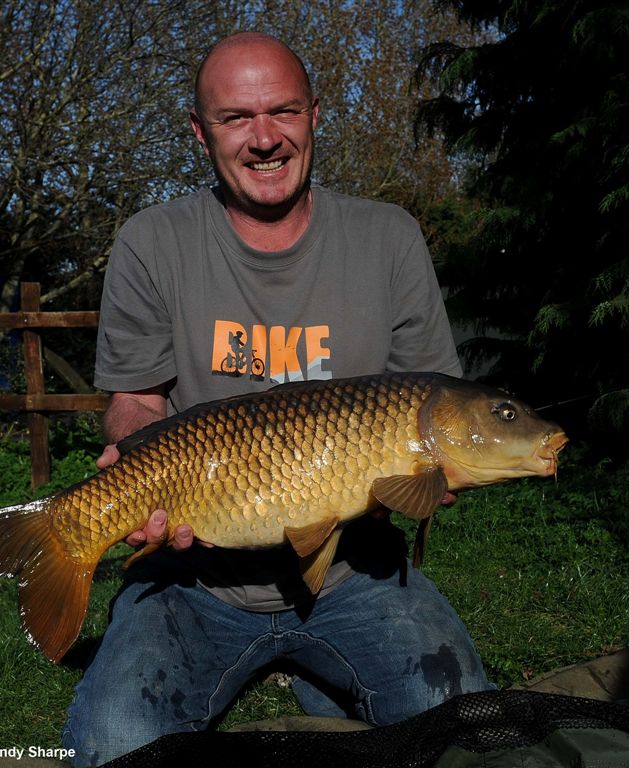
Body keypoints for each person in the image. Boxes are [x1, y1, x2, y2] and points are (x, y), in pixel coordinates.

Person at [62, 32, 492, 767]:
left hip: (358, 573)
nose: (265, 138)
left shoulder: (388, 239)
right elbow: (137, 400)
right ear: (200, 132)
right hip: (193, 578)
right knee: (113, 745)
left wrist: (417, 484)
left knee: (457, 730)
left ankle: (329, 666)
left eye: (284, 111)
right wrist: (131, 466)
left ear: (315, 116)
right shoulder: (151, 241)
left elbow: (435, 410)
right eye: (235, 118)